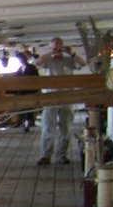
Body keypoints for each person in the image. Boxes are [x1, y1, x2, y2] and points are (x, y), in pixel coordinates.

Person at [36, 37, 85, 165]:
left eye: (59, 47)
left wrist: (71, 53)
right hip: (50, 97)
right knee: (47, 127)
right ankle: (46, 155)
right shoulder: (48, 60)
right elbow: (37, 62)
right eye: (54, 47)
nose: (57, 49)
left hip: (66, 97)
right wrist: (51, 53)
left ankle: (62, 155)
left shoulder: (69, 60)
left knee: (66, 128)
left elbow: (83, 64)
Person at [13, 51, 39, 132]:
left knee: (28, 109)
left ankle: (27, 125)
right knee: (22, 108)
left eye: (21, 59)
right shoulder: (19, 69)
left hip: (29, 91)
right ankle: (24, 122)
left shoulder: (31, 67)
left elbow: (36, 78)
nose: (20, 61)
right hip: (21, 92)